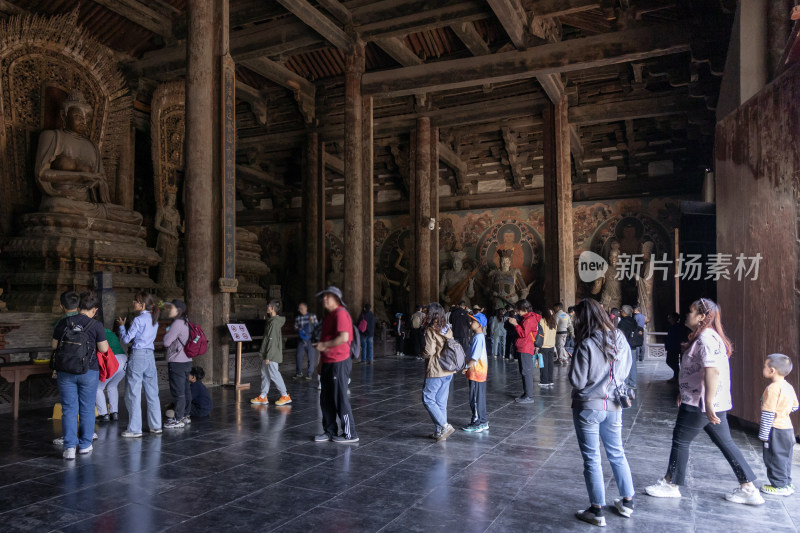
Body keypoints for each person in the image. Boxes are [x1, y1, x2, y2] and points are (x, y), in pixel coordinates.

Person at [645, 298, 765, 506]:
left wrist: (707, 403)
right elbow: (697, 370)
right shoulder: (709, 337)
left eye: (691, 312)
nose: (687, 315)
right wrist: (685, 390)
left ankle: (670, 484)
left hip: (701, 404)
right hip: (709, 401)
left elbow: (712, 371)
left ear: (702, 317)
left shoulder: (705, 339)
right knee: (726, 443)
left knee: (681, 440)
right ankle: (748, 488)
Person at [570, 298, 635, 526]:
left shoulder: (586, 343)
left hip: (588, 406)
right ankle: (627, 502)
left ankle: (597, 510)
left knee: (592, 459)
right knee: (617, 452)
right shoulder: (620, 337)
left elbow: (577, 381)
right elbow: (626, 369)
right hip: (614, 405)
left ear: (583, 317)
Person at [53, 291, 108, 459]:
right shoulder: (96, 325)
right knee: (87, 408)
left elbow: (54, 346)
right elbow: (104, 349)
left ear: (78, 306)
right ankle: (85, 444)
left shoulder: (64, 323)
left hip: (65, 371)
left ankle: (69, 447)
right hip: (88, 371)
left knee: (69, 409)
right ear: (94, 309)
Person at [313, 286, 359, 443]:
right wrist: (321, 362)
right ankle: (329, 430)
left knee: (339, 398)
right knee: (325, 398)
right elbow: (325, 340)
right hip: (328, 361)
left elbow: (343, 337)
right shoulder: (328, 316)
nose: (325, 299)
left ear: (337, 299)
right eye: (324, 297)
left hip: (339, 361)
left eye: (329, 297)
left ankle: (350, 433)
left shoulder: (340, 313)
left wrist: (324, 347)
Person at [117, 292, 162, 438]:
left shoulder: (138, 320)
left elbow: (126, 339)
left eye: (136, 301)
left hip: (138, 355)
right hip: (150, 356)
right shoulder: (154, 320)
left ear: (142, 304)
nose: (133, 303)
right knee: (152, 392)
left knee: (133, 392)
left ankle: (135, 429)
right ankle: (156, 425)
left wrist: (122, 327)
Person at [758, 353, 799, 496]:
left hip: (775, 429)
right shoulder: (788, 386)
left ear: (772, 370)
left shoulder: (773, 388)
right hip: (788, 428)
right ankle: (786, 482)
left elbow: (768, 413)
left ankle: (778, 485)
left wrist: (763, 434)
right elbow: (795, 407)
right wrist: (784, 409)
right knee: (785, 457)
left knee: (773, 457)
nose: (763, 368)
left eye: (764, 366)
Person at [421, 302, 457, 441]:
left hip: (436, 369)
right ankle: (440, 432)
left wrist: (422, 353)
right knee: (441, 402)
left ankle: (444, 426)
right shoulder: (447, 328)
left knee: (428, 398)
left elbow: (429, 351)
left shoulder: (431, 330)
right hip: (448, 369)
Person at [251, 300, 292, 406]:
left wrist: (268, 355)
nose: (267, 307)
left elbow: (272, 340)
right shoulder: (271, 321)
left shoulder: (274, 322)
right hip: (268, 353)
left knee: (274, 374)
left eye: (268, 306)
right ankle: (263, 396)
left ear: (272, 308)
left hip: (271, 353)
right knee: (265, 374)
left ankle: (285, 395)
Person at [162, 299, 192, 428]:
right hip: (187, 360)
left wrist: (167, 333)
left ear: (178, 310)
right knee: (185, 389)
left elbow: (166, 342)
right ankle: (185, 415)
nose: (169, 310)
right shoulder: (186, 322)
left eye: (171, 308)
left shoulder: (177, 323)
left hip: (177, 361)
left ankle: (178, 419)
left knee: (178, 391)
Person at [508, 299, 541, 404]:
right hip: (523, 346)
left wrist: (515, 324)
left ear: (524, 309)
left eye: (518, 309)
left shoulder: (529, 319)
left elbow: (523, 334)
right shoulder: (527, 318)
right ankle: (526, 393)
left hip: (526, 347)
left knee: (526, 372)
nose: (517, 312)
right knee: (524, 372)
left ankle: (529, 396)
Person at [462, 312, 489, 433]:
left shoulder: (478, 338)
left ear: (479, 325)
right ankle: (482, 421)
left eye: (473, 321)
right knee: (477, 397)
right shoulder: (478, 336)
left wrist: (466, 367)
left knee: (476, 398)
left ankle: (478, 422)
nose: (470, 323)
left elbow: (475, 357)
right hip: (477, 372)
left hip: (476, 372)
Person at [95, 324, 127, 422]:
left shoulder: (97, 332)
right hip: (124, 360)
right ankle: (114, 413)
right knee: (112, 386)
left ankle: (103, 414)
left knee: (98, 388)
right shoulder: (111, 333)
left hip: (113, 360)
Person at [616, 305, 642, 393]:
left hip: (625, 346)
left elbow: (620, 334)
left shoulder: (623, 322)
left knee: (624, 364)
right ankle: (633, 383)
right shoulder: (633, 321)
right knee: (633, 364)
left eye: (621, 311)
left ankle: (625, 382)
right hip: (633, 345)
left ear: (624, 312)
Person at [294, 302, 317, 380]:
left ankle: (309, 374)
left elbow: (316, 327)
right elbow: (295, 327)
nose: (300, 310)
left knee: (311, 357)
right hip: (301, 339)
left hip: (310, 340)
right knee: (298, 356)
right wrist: (299, 329)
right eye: (299, 309)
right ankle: (299, 372)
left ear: (306, 308)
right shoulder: (298, 318)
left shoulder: (312, 316)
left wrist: (312, 322)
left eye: (302, 309)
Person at [664, 312, 689, 383]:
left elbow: (677, 337)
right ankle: (677, 376)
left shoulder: (678, 327)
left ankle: (677, 375)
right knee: (672, 361)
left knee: (671, 361)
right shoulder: (672, 326)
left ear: (674, 318)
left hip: (675, 347)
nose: (668, 319)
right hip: (672, 346)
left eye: (670, 317)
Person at [538, 309, 556, 387]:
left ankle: (544, 381)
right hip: (551, 345)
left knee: (543, 363)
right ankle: (550, 380)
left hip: (543, 345)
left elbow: (539, 333)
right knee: (550, 363)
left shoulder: (542, 321)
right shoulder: (554, 322)